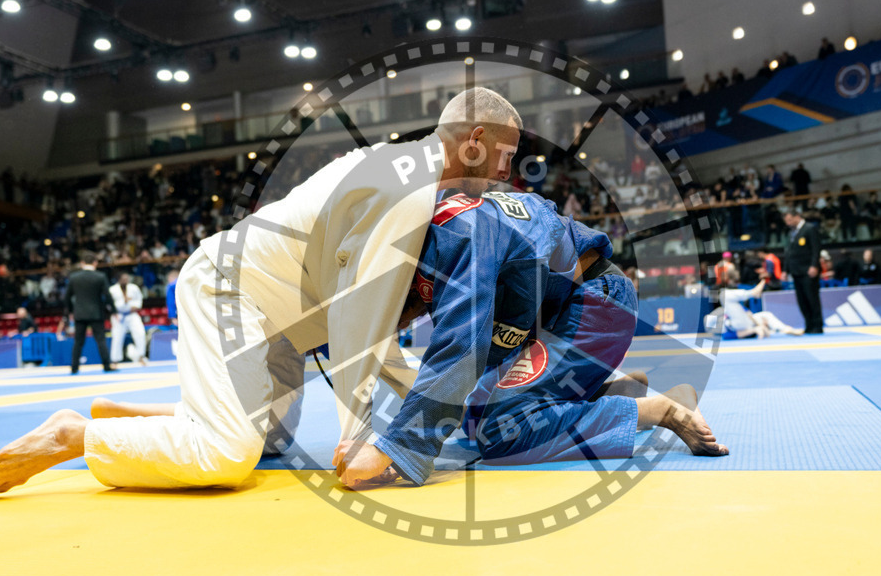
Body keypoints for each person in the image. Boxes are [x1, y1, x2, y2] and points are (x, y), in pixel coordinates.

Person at [0, 87, 525, 498]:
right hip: (230, 289)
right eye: (506, 154)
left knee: (271, 442)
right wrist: (362, 440)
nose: (507, 172)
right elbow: (361, 320)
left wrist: (442, 409)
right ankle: (76, 435)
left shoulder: (395, 162)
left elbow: (360, 316)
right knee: (226, 456)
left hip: (281, 324)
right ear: (475, 141)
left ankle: (147, 415)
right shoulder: (407, 191)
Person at [334, 189, 728, 487]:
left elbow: (461, 349)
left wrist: (395, 449)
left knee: (503, 429)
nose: (402, 325)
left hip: (593, 303)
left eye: (393, 318)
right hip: (562, 312)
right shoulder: (440, 229)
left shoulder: (454, 239)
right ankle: (615, 393)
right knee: (472, 417)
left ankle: (661, 410)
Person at [66, 251, 115, 374]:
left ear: (82, 263)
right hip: (96, 313)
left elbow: (67, 297)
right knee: (100, 340)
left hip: (80, 313)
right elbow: (107, 296)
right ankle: (107, 365)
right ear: (95, 263)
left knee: (78, 341)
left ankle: (74, 367)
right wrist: (113, 311)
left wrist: (70, 311)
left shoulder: (74, 277)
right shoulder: (100, 276)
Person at [720, 273, 802, 339]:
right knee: (724, 295)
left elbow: (749, 314)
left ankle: (785, 328)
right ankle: (753, 292)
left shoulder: (734, 309)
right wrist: (754, 330)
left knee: (766, 314)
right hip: (740, 326)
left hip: (747, 323)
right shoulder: (725, 320)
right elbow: (727, 335)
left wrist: (759, 325)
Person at [782, 208, 823, 333]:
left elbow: (816, 249)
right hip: (796, 271)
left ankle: (817, 326)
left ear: (797, 216)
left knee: (812, 298)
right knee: (802, 300)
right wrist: (785, 270)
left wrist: (814, 265)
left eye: (789, 220)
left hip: (808, 271)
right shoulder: (792, 233)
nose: (788, 223)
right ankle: (809, 325)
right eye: (786, 221)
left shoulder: (809, 229)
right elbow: (789, 253)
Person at [109, 273, 147, 363]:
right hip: (119, 315)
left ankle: (141, 355)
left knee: (140, 333)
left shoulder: (133, 288)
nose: (126, 280)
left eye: (127, 279)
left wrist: (136, 306)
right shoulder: (112, 290)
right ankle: (115, 359)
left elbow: (139, 299)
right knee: (117, 337)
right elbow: (110, 304)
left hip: (132, 314)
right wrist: (118, 308)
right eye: (124, 279)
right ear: (119, 279)